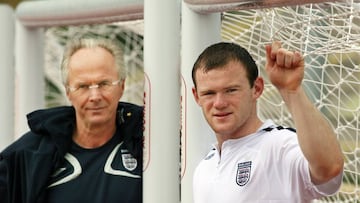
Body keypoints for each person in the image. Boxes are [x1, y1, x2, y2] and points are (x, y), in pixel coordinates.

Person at [191, 41, 344, 202]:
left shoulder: (279, 146)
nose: (219, 103)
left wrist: (292, 91)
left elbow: (329, 169)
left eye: (231, 90)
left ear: (256, 88)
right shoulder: (204, 168)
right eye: (209, 93)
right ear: (196, 96)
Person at [0, 35, 143, 203]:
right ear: (68, 92)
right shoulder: (29, 155)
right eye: (83, 86)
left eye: (104, 84)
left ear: (122, 86)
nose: (95, 96)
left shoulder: (148, 144)